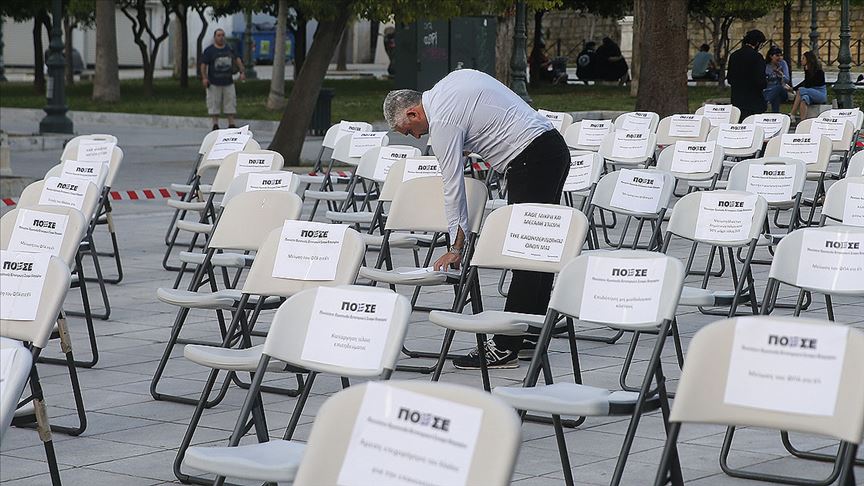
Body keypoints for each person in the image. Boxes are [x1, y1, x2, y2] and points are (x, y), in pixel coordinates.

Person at [382, 70, 570, 370]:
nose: (418, 138)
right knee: (538, 253)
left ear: (414, 111)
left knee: (524, 253)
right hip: (551, 149)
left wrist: (457, 246)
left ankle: (506, 345)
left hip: (530, 160)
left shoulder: (441, 121)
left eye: (411, 130)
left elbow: (453, 187)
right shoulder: (449, 84)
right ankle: (531, 330)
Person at [199, 28, 245, 131]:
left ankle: (231, 123)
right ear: (215, 37)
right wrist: (204, 78)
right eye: (219, 35)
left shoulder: (229, 49)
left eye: (222, 35)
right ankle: (215, 124)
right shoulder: (209, 50)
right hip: (214, 82)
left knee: (230, 101)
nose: (221, 37)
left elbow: (237, 59)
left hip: (228, 81)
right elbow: (203, 65)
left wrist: (242, 71)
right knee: (214, 103)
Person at [727, 29, 767, 121]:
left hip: (737, 100)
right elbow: (761, 82)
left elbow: (729, 78)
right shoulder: (757, 57)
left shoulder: (734, 55)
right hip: (754, 102)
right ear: (757, 43)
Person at [790, 50, 827, 121]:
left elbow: (809, 84)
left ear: (808, 59)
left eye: (803, 58)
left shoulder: (819, 72)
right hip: (810, 92)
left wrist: (796, 89)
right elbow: (805, 83)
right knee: (804, 98)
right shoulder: (807, 70)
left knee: (800, 91)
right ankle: (802, 120)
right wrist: (793, 88)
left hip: (820, 94)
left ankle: (793, 113)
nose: (801, 60)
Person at [763, 46, 792, 113]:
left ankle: (766, 102)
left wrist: (781, 75)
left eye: (781, 55)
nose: (779, 58)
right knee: (776, 96)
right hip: (768, 91)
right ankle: (775, 114)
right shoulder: (766, 65)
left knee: (779, 88)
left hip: (782, 90)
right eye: (777, 55)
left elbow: (787, 80)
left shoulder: (783, 63)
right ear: (771, 56)